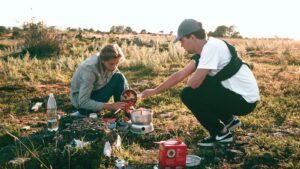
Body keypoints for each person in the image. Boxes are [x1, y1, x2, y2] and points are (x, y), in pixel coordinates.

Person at [142, 19, 260, 147]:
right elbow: (180, 74)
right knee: (202, 85)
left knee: (188, 94)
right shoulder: (206, 50)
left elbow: (193, 84)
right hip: (239, 97)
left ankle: (221, 133)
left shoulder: (211, 48)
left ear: (192, 37)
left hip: (244, 102)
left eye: (182, 41)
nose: (181, 45)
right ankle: (228, 120)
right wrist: (154, 91)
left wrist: (193, 80)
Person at [70, 44, 129, 117]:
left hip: (95, 92)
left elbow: (120, 79)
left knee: (119, 76)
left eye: (116, 63)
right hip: (82, 104)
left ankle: (121, 109)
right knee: (118, 76)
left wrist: (128, 99)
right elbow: (83, 102)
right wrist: (111, 106)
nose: (114, 67)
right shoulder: (90, 69)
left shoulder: (109, 62)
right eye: (111, 64)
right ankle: (87, 113)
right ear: (103, 61)